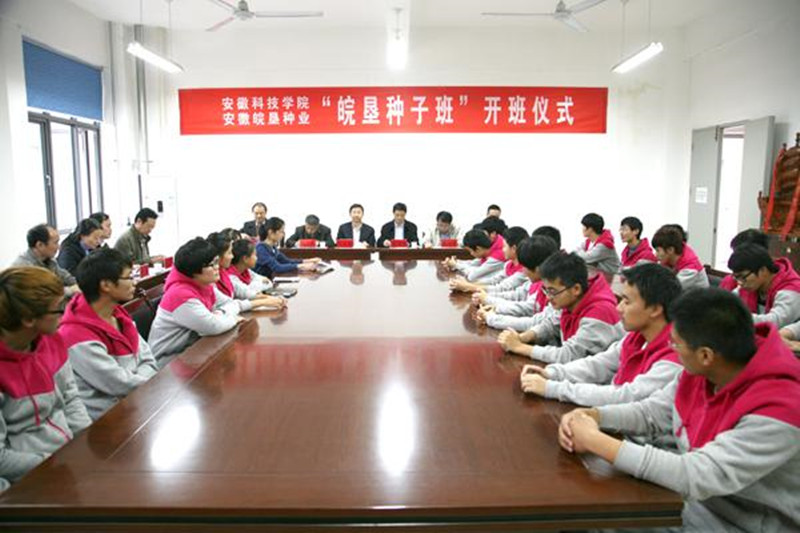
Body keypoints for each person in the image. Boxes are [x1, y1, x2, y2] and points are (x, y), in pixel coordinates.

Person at [557, 289, 800, 532]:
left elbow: (696, 474)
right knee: (588, 503)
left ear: (705, 355)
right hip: (696, 502)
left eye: (676, 343)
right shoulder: (708, 369)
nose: (671, 348)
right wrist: (595, 415)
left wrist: (594, 440)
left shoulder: (780, 408)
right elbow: (651, 412)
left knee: (597, 515)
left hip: (740, 522)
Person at [520, 263, 682, 408]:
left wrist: (553, 388)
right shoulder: (637, 337)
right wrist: (552, 373)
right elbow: (600, 363)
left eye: (627, 302)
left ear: (655, 309)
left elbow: (627, 396)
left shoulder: (675, 357)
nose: (618, 308)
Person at [0, 267, 92, 485]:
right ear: (28, 319)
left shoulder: (51, 340)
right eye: (58, 308)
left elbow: (71, 398)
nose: (65, 312)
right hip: (27, 479)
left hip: (64, 460)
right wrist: (57, 463)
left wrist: (85, 443)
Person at [58, 248, 158, 420]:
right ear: (105, 285)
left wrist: (148, 380)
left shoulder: (119, 315)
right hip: (106, 420)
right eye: (128, 277)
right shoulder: (74, 334)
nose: (134, 282)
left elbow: (149, 361)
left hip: (138, 403)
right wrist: (154, 382)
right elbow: (119, 384)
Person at [498, 252, 624, 364]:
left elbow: (569, 355)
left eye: (552, 291)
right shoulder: (572, 299)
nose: (548, 298)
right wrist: (523, 337)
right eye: (546, 290)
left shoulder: (600, 312)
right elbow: (551, 324)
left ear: (576, 289)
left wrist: (519, 347)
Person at [148, 238, 245, 366]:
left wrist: (220, 313)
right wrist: (233, 318)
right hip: (169, 361)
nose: (217, 267)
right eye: (212, 264)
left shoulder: (204, 285)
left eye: (216, 262)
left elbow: (230, 303)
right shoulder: (179, 294)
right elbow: (213, 326)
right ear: (194, 270)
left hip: (193, 349)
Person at [477, 234, 559, 332]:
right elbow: (517, 295)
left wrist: (490, 313)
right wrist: (493, 305)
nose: (523, 271)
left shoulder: (553, 289)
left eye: (524, 267)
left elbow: (528, 312)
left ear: (538, 269)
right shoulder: (538, 282)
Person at [726, 243, 800, 328]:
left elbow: (776, 321)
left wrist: (737, 318)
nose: (740, 283)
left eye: (743, 277)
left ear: (762, 270)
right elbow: (729, 302)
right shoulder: (751, 285)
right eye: (736, 278)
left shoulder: (791, 290)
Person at [207, 232, 286, 310]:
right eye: (229, 253)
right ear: (218, 257)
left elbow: (264, 285)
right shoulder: (223, 277)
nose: (232, 256)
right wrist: (265, 300)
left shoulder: (224, 274)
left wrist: (271, 299)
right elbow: (232, 303)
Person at [450, 226, 528, 293]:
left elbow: (501, 288)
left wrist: (469, 286)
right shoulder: (509, 264)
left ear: (514, 248)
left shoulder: (525, 270)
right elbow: (494, 280)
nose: (502, 249)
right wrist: (468, 284)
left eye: (504, 246)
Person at [12, 224, 79, 296]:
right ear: (40, 245)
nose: (59, 247)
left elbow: (66, 278)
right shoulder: (24, 268)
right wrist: (71, 290)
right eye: (55, 242)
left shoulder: (49, 260)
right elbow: (42, 294)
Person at [254, 218, 320, 278]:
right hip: (261, 283)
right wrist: (302, 266)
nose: (283, 235)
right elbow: (277, 267)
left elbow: (287, 261)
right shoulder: (261, 248)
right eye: (281, 231)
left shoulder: (273, 248)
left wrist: (308, 260)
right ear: (271, 232)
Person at [652, 225, 710, 290]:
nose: (655, 255)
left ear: (670, 250)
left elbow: (669, 289)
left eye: (658, 250)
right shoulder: (670, 260)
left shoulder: (690, 270)